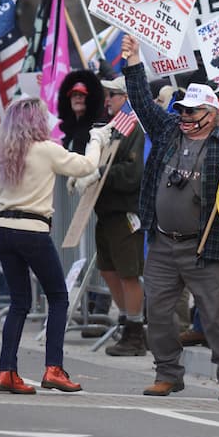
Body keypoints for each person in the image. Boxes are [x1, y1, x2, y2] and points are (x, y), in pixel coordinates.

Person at [0, 96, 110, 394]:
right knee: (58, 296)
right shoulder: (47, 150)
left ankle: (6, 370)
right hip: (34, 230)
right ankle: (53, 367)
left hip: (3, 229)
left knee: (19, 302)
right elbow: (87, 166)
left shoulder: (2, 151)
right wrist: (96, 139)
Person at [121, 36, 219, 401]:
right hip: (163, 243)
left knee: (218, 315)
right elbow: (142, 102)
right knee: (157, 312)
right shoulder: (167, 133)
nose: (184, 116)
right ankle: (167, 373)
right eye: (183, 110)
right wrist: (133, 64)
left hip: (204, 246)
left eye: (191, 111)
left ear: (210, 114)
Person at [88, 75, 148, 357]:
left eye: (113, 94)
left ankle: (135, 330)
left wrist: (101, 173)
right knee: (108, 269)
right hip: (107, 209)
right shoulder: (115, 127)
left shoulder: (136, 127)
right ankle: (125, 320)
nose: (108, 100)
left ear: (126, 97)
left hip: (126, 210)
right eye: (107, 94)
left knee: (128, 272)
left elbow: (133, 174)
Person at [57, 71, 104, 155]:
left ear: (91, 98)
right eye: (74, 94)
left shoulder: (96, 130)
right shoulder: (69, 131)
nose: (77, 98)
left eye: (82, 94)